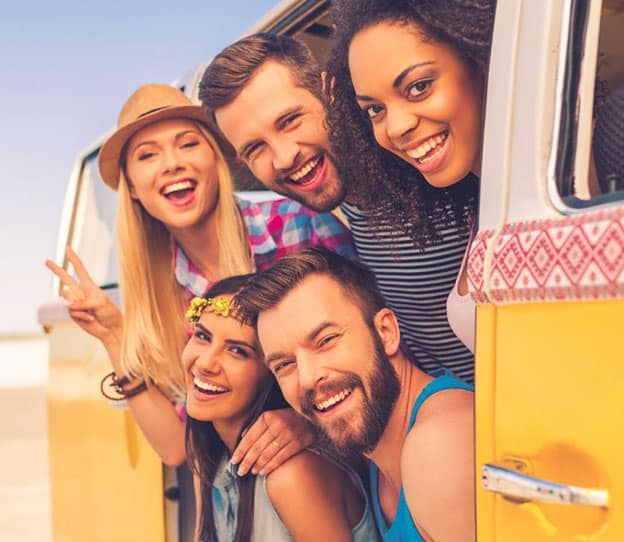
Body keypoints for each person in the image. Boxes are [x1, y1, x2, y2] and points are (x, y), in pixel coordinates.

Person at [45, 83, 356, 469]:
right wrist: (114, 336)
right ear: (134, 189)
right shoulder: (166, 294)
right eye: (147, 155)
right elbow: (178, 448)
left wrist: (309, 420)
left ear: (217, 159)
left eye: (188, 144)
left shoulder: (298, 225)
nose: (172, 163)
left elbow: (385, 354)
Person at [199, 32, 476, 384]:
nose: (284, 157)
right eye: (256, 148)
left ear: (330, 94)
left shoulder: (435, 171)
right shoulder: (340, 220)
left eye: (290, 121)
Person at [234, 247, 475, 542]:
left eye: (326, 340)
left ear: (386, 332)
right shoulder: (379, 448)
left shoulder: (440, 442)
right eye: (285, 365)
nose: (308, 378)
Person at [325, 0, 497, 355]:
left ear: (480, 58)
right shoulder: (481, 204)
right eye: (375, 110)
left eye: (419, 87)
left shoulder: (585, 177)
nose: (396, 127)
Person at [183, 274, 379, 542]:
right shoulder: (206, 453)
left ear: (273, 374)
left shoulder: (291, 476)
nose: (206, 363)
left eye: (237, 351)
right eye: (202, 336)